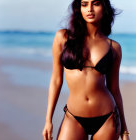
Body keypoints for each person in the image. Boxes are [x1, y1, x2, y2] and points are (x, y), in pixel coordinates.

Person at [42, 0, 130, 139]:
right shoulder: (63, 38)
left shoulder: (114, 48)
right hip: (73, 117)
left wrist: (124, 130)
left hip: (107, 118)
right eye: (84, 4)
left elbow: (114, 89)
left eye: (95, 3)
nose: (89, 9)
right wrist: (48, 120)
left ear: (104, 8)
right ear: (79, 8)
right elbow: (56, 80)